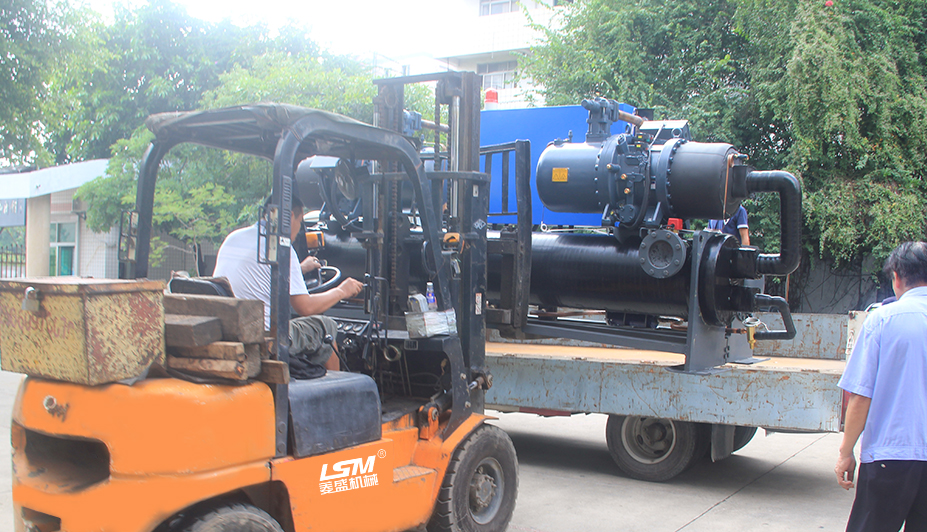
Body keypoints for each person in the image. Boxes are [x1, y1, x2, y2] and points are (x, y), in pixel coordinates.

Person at [213, 197, 364, 373]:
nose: (299, 230)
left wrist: (299, 268)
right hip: (264, 335)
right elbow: (306, 308)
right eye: (300, 222)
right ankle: (336, 387)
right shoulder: (281, 246)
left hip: (230, 329)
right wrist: (342, 290)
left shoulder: (234, 237)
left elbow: (262, 272)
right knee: (326, 327)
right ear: (290, 216)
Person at [835, 241, 927, 532]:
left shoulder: (882, 320)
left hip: (891, 454)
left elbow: (861, 397)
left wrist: (846, 452)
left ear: (896, 277)